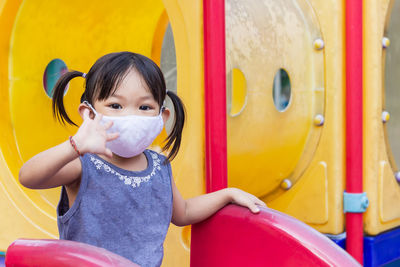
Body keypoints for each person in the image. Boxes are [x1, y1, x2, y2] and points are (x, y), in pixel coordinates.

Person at [19, 52, 266, 267]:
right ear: (89, 112)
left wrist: (227, 194)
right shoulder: (84, 164)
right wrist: (74, 146)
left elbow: (184, 212)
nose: (131, 116)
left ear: (162, 115)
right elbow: (28, 176)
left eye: (144, 107)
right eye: (115, 105)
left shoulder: (159, 167)